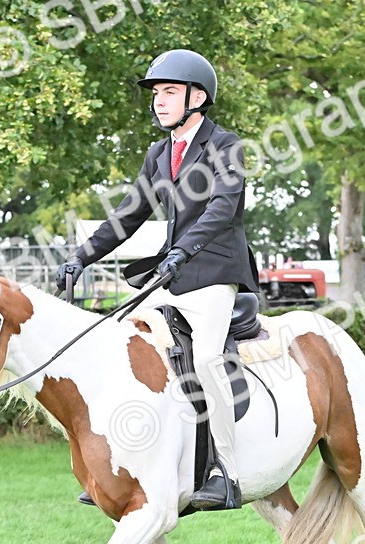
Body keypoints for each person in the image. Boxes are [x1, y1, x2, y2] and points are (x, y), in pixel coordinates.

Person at [55, 49, 261, 511]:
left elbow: (222, 209)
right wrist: (80, 257)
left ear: (197, 96)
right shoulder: (159, 153)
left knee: (207, 360)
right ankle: (121, 463)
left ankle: (225, 472)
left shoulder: (226, 146)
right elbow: (128, 216)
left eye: (169, 92)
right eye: (156, 94)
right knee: (117, 346)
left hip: (213, 273)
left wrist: (183, 250)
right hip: (173, 272)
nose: (159, 102)